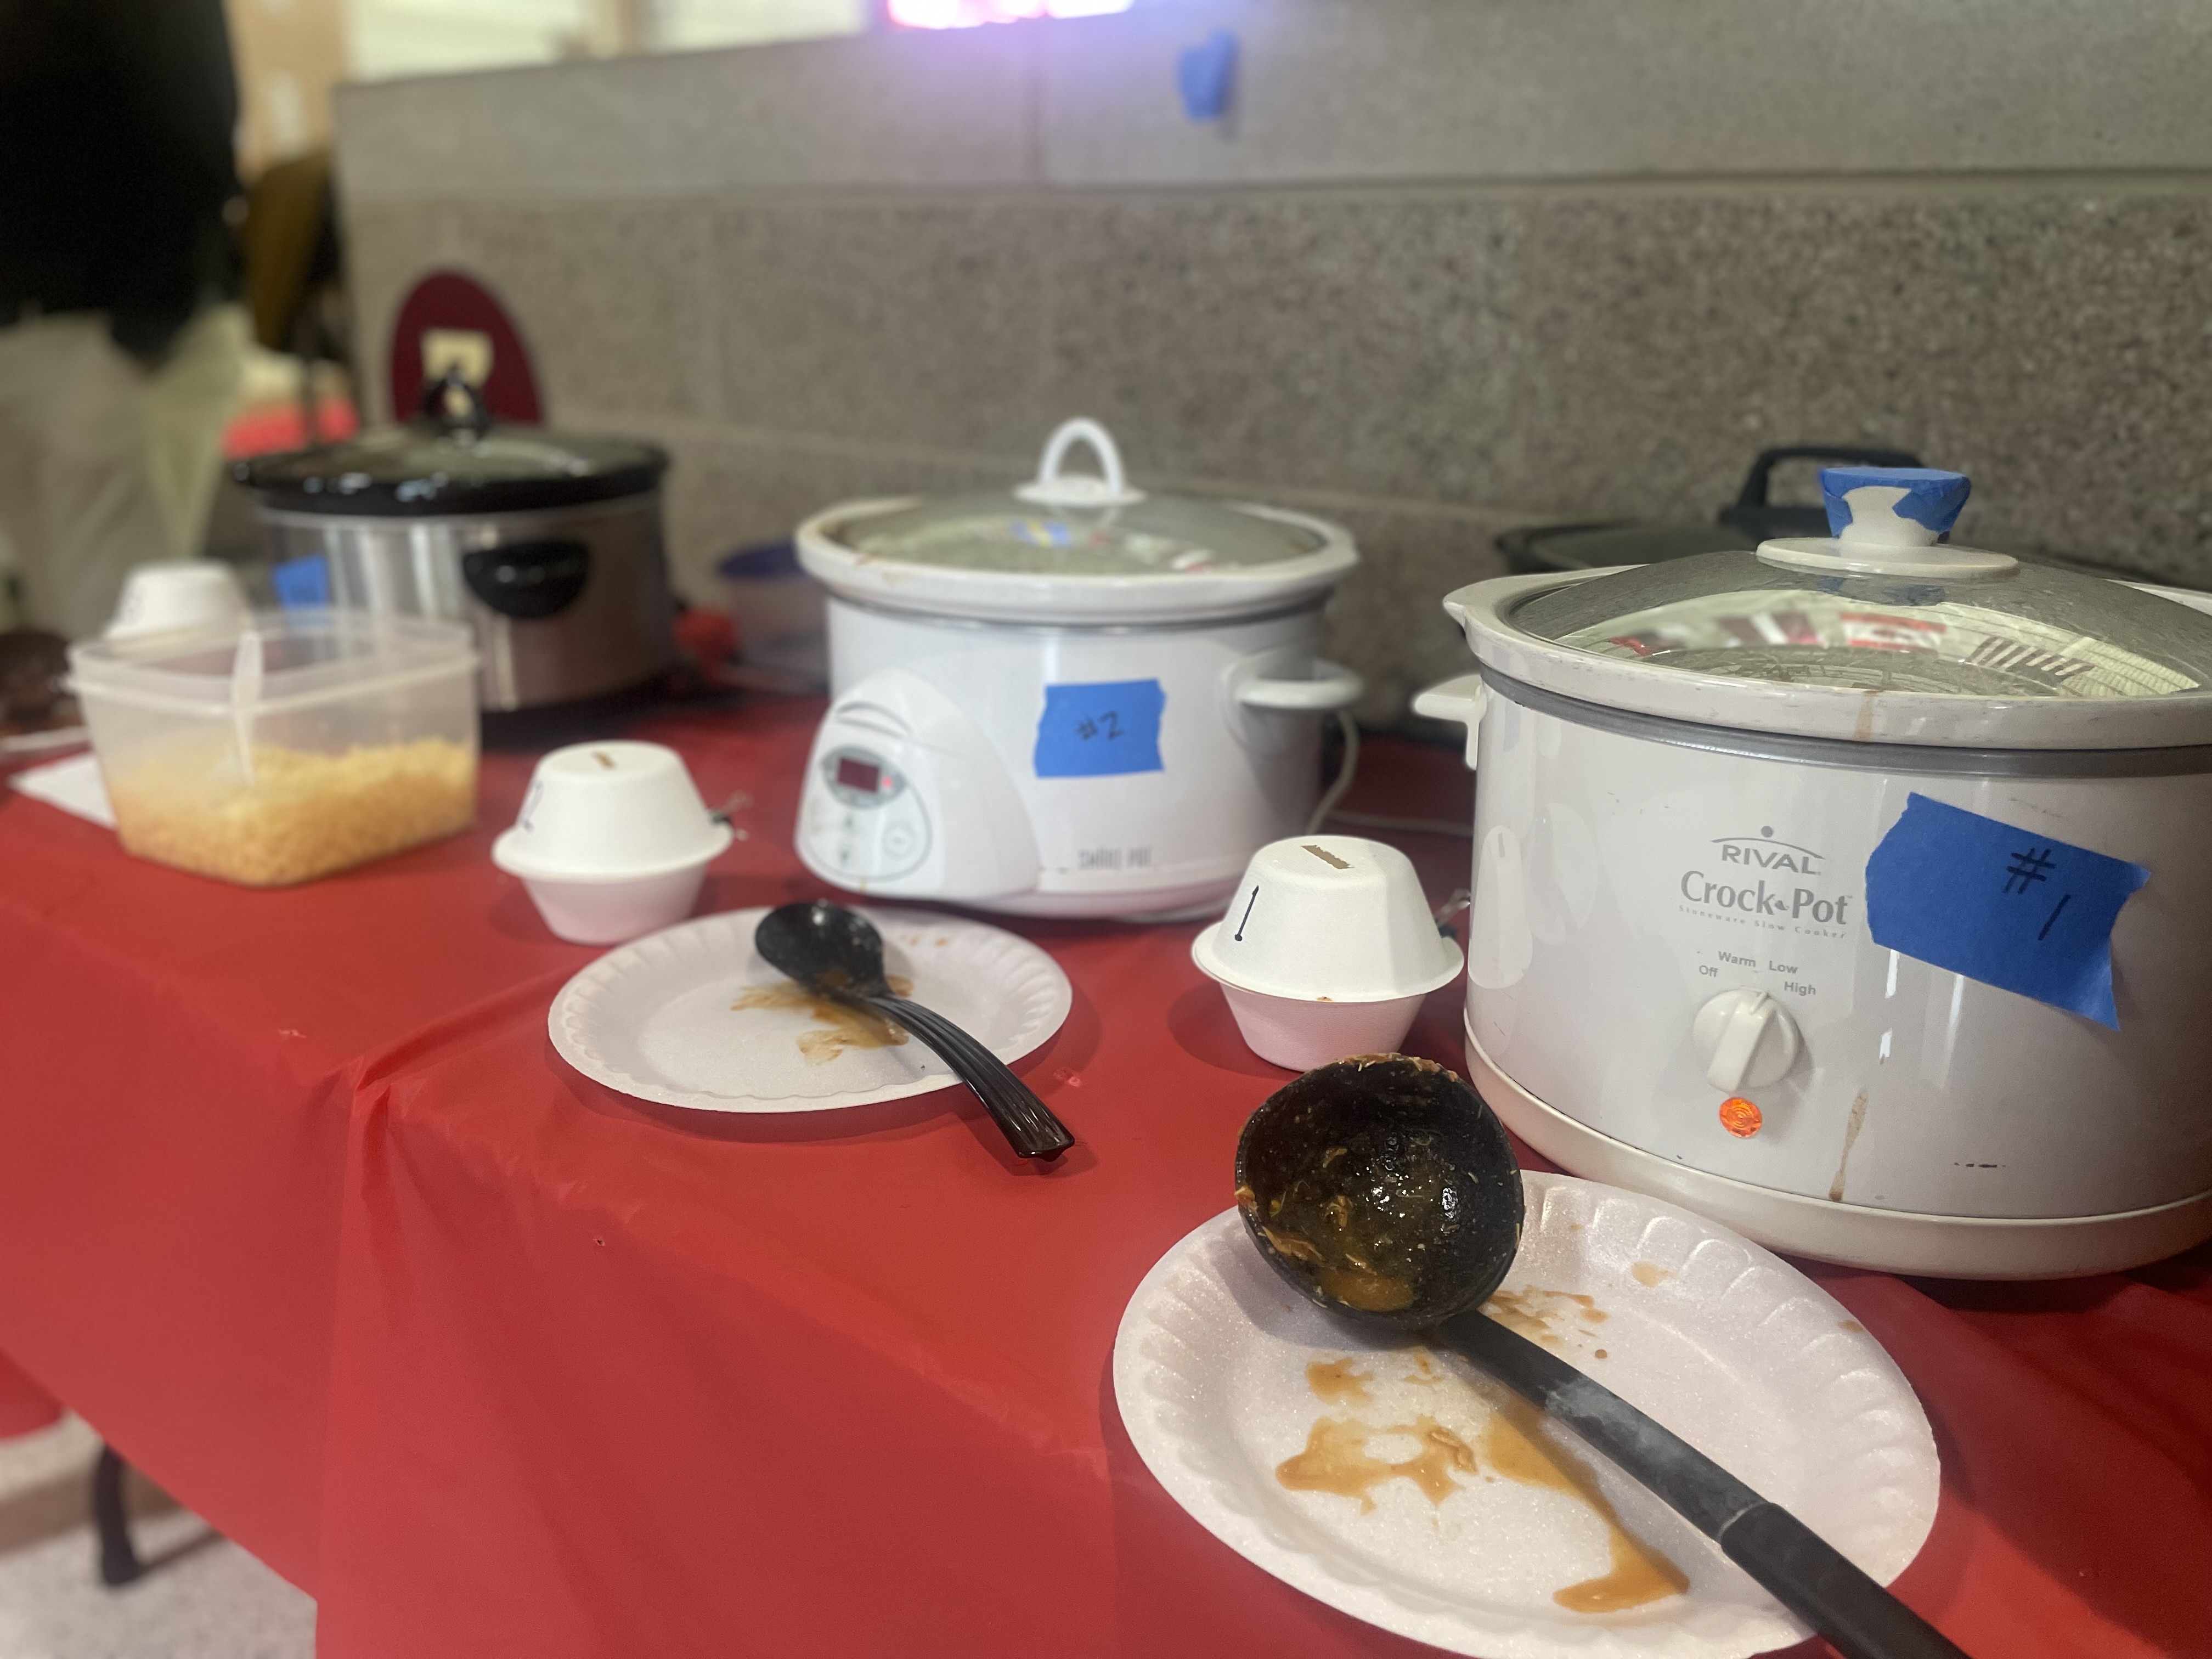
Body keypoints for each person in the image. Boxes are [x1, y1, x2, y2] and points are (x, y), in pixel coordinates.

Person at [0, 0, 250, 639]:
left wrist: (140, 334)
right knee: (62, 644)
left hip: (114, 338)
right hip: (27, 340)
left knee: (126, 637)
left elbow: (196, 133)